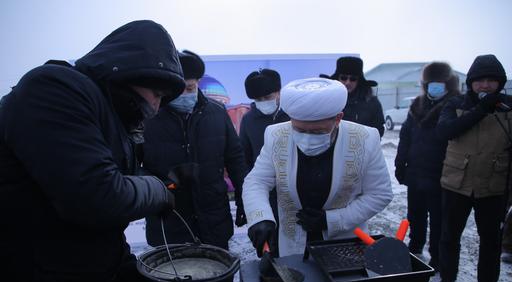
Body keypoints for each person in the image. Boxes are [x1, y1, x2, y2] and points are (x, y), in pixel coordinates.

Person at [0, 20, 184, 282]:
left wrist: (131, 277)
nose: (156, 107)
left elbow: (100, 227)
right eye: (156, 93)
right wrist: (157, 189)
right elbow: (97, 197)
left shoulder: (111, 120)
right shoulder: (54, 88)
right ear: (130, 72)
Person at [243, 77, 393, 257]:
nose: (307, 138)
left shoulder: (365, 138)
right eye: (299, 130)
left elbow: (379, 194)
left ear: (338, 118)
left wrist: (332, 221)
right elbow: (256, 181)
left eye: (317, 132)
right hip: (292, 243)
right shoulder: (276, 135)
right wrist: (260, 217)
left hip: (343, 243)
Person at [143, 50, 247, 250]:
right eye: (177, 89)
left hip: (213, 218)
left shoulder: (217, 113)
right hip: (169, 220)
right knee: (172, 278)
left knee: (217, 273)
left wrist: (244, 200)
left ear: (198, 82)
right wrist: (159, 187)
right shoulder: (148, 117)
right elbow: (130, 164)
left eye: (189, 88)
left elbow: (235, 159)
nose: (183, 94)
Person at [436, 54, 512, 282]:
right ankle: (447, 280)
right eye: (480, 80)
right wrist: (481, 109)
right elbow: (445, 132)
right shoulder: (456, 104)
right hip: (456, 184)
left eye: (492, 81)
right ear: (471, 83)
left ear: (500, 83)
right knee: (450, 236)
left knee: (490, 242)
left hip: (493, 187)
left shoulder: (509, 108)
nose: (486, 86)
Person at [394, 62, 460, 270]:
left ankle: (437, 256)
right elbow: (405, 137)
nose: (435, 87)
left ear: (447, 84)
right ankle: (415, 246)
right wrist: (400, 163)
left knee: (439, 218)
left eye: (439, 83)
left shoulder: (455, 107)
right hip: (415, 171)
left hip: (441, 174)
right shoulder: (417, 106)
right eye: (431, 83)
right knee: (415, 214)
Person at [239, 68, 289, 255]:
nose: (263, 103)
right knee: (271, 239)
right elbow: (244, 157)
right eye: (258, 100)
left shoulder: (293, 115)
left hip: (295, 190)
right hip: (265, 192)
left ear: (279, 92)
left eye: (267, 96)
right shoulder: (248, 120)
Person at [328, 56, 385, 137]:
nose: (348, 82)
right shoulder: (328, 100)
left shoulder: (372, 102)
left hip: (361, 147)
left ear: (359, 81)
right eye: (344, 78)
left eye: (353, 79)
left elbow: (378, 130)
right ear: (338, 78)